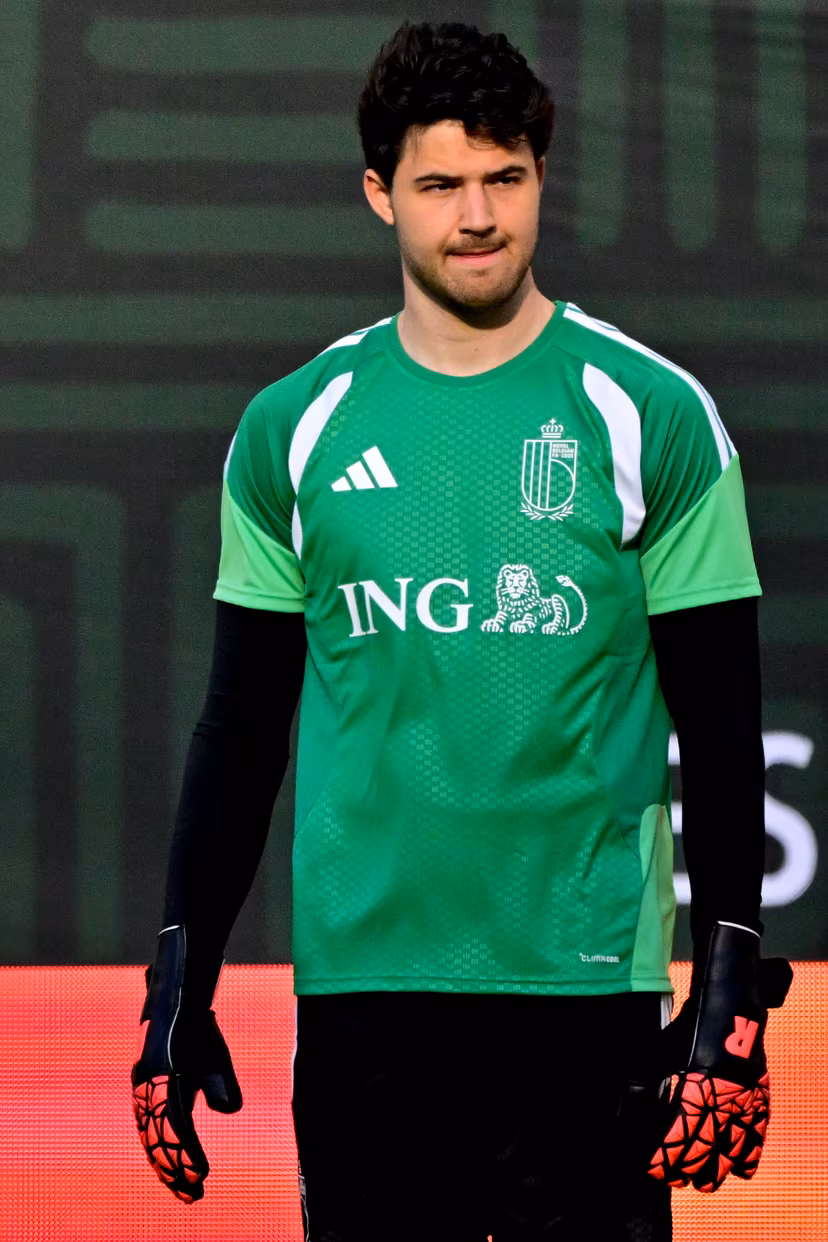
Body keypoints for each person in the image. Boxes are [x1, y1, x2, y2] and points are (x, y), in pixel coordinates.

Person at [131, 21, 790, 1241]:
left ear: (542, 175)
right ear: (381, 193)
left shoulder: (654, 416)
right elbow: (238, 728)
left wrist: (732, 975)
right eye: (441, 183)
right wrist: (181, 974)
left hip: (587, 995)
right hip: (365, 1001)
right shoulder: (295, 428)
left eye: (505, 177)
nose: (477, 214)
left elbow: (724, 724)